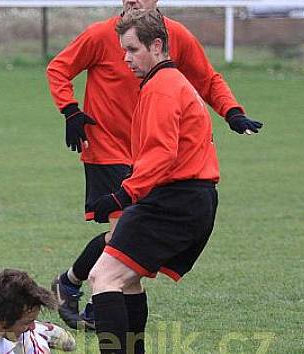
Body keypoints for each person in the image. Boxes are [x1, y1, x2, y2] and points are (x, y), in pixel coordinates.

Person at [46, 0, 262, 329]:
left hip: (154, 168)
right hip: (108, 151)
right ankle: (100, 302)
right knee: (120, 255)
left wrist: (231, 111)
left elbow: (206, 79)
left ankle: (81, 288)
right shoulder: (103, 35)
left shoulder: (168, 62)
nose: (126, 58)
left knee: (116, 263)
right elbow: (58, 68)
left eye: (131, 51)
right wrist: (70, 110)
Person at [87, 9, 220, 354]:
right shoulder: (168, 83)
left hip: (176, 201)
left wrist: (121, 196)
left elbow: (162, 155)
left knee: (103, 277)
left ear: (157, 45)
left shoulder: (162, 88)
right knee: (127, 282)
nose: (125, 58)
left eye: (132, 49)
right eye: (123, 50)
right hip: (185, 199)